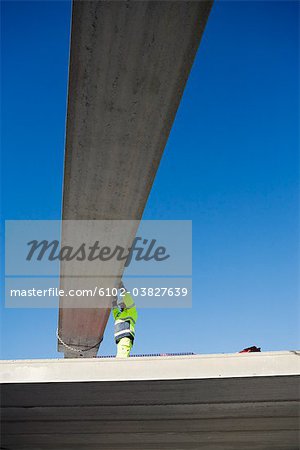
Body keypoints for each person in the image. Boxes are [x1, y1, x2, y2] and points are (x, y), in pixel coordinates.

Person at [112, 281, 137, 358]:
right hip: (120, 340)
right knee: (119, 356)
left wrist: (122, 288)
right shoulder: (119, 315)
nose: (121, 306)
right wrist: (114, 299)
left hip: (126, 338)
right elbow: (114, 309)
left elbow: (128, 298)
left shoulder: (131, 312)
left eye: (122, 304)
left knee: (121, 358)